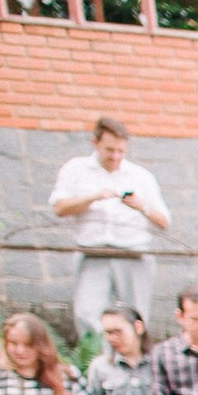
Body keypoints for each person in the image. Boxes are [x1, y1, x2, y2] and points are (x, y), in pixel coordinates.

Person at [49, 117, 171, 340]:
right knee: (87, 314)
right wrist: (92, 197)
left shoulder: (140, 176)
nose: (115, 156)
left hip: (133, 254)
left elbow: (164, 221)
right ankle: (97, 365)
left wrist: (140, 206)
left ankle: (134, 365)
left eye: (120, 151)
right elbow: (59, 207)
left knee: (135, 318)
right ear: (94, 143)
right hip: (93, 253)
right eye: (109, 150)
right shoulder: (76, 169)